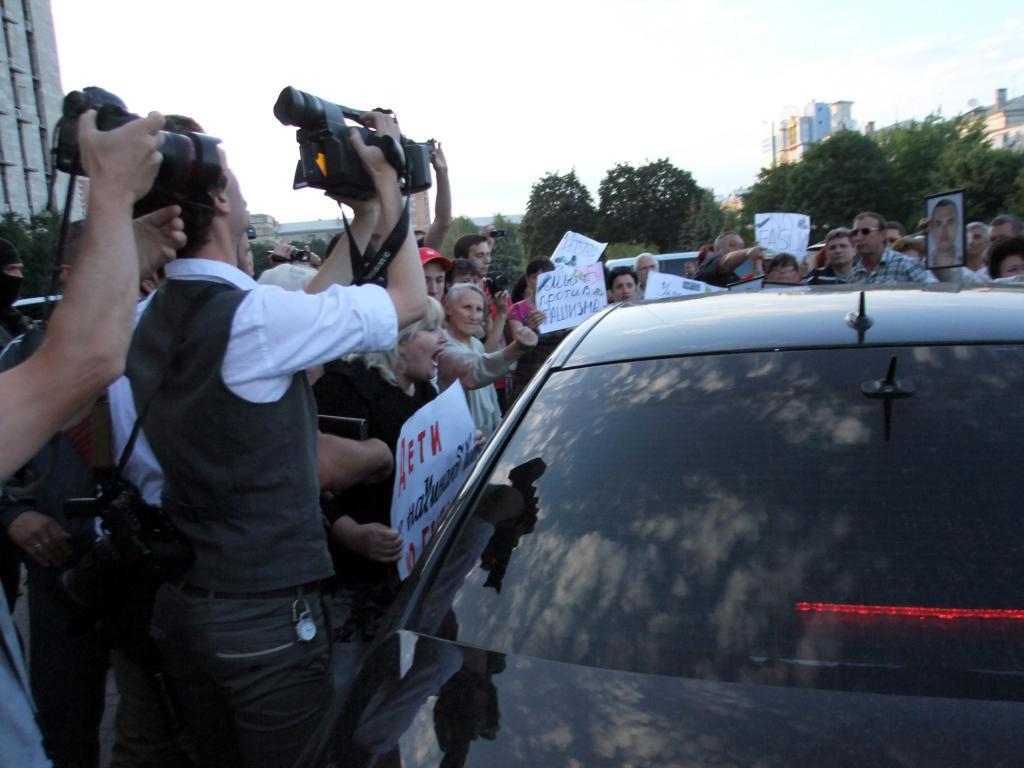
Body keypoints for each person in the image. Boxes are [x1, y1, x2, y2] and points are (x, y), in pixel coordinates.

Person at [118, 110, 426, 767]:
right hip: (265, 618)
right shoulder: (253, 320)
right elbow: (409, 302)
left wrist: (365, 217)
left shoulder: (148, 317)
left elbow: (302, 321)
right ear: (222, 199)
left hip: (191, 606)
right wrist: (394, 184)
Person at [0, 107, 175, 768]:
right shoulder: (25, 356)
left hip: (139, 558)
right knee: (67, 716)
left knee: (153, 715)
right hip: (58, 566)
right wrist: (14, 518)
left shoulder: (160, 342)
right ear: (74, 274)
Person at [312, 297, 446, 689]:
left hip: (408, 579)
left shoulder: (424, 393)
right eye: (432, 329)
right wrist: (348, 532)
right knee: (355, 693)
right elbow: (307, 477)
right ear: (400, 340)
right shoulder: (343, 389)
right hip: (352, 586)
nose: (444, 339)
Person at [443, 283, 536, 437]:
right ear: (448, 308)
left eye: (479, 309)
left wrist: (499, 427)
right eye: (467, 307)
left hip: (485, 440)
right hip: (461, 443)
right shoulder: (442, 345)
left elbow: (490, 396)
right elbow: (477, 370)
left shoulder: (477, 345)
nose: (474, 316)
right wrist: (517, 348)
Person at [847, 211, 936, 284]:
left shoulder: (906, 265)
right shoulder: (854, 274)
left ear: (883, 234)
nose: (858, 237)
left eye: (865, 231)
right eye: (855, 233)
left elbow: (933, 296)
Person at [694, 231, 764, 287]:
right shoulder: (709, 264)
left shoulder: (734, 278)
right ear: (718, 249)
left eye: (742, 247)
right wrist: (747, 252)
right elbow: (725, 261)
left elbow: (756, 285)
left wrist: (757, 261)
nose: (739, 250)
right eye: (733, 245)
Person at [927, 198, 962, 268]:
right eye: (938, 224)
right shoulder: (923, 264)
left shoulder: (967, 259)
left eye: (950, 223)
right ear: (931, 228)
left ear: (957, 225)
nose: (944, 230)